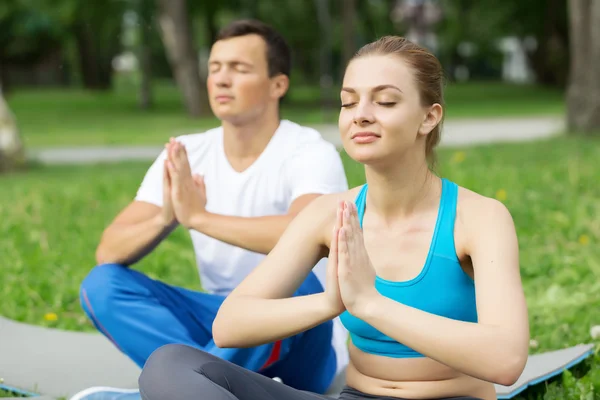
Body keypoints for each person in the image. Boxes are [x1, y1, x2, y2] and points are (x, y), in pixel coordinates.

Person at [137, 35, 531, 400]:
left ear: (429, 117)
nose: (360, 115)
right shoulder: (330, 214)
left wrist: (371, 304)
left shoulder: (478, 218)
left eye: (386, 102)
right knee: (171, 364)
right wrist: (330, 302)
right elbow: (230, 324)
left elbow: (506, 359)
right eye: (348, 102)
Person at [71, 19, 350, 400]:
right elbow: (109, 250)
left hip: (301, 336)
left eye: (239, 68)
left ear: (277, 85)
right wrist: (166, 216)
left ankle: (163, 391)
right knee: (102, 286)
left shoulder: (309, 151)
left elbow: (305, 236)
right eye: (215, 68)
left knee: (297, 282)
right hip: (220, 324)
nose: (221, 79)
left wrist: (199, 218)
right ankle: (199, 386)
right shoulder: (187, 152)